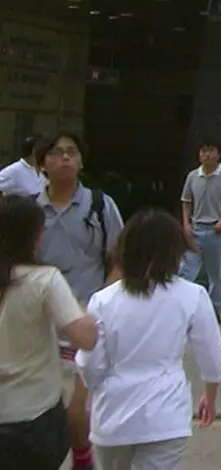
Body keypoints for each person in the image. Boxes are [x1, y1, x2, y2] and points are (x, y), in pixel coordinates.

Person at [76, 209, 221, 470]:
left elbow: (90, 365)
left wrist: (99, 386)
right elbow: (211, 356)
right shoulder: (192, 295)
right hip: (165, 414)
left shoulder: (103, 300)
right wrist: (209, 396)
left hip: (112, 415)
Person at [37, 130, 123, 470]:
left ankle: (82, 458)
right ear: (43, 162)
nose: (65, 158)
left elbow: (117, 258)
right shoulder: (29, 208)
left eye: (72, 152)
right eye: (56, 153)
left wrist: (103, 302)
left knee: (79, 400)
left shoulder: (100, 206)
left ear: (82, 160)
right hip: (39, 321)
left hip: (85, 321)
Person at [0, 195, 98, 470]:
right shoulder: (44, 279)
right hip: (34, 420)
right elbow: (84, 338)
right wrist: (85, 314)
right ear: (36, 235)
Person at [178, 142, 221, 317]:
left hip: (216, 230)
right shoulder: (193, 176)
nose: (206, 155)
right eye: (203, 151)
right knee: (187, 270)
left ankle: (213, 311)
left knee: (216, 275)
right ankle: (185, 308)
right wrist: (185, 224)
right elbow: (186, 201)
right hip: (196, 228)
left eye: (210, 151)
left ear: (218, 153)